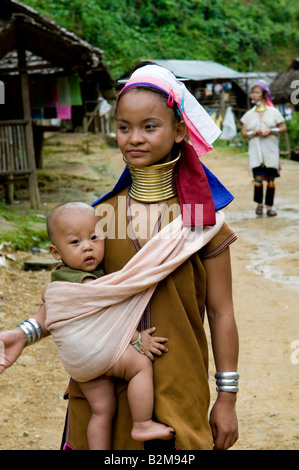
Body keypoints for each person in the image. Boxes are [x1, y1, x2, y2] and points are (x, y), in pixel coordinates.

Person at [0, 62, 239, 451]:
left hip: (179, 383)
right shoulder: (98, 219)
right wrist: (24, 334)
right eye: (124, 127)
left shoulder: (202, 221)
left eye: (149, 126)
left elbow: (222, 312)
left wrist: (227, 397)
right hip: (106, 389)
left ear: (180, 131)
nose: (135, 138)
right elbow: (74, 296)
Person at [44, 201, 175, 449]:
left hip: (78, 365)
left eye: (94, 238)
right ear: (56, 252)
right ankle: (142, 424)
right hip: (94, 351)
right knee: (139, 366)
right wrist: (136, 338)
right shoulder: (85, 282)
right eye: (75, 242)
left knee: (102, 412)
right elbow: (111, 315)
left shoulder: (59, 276)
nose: (87, 247)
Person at [241, 80, 286, 216]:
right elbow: (243, 133)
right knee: (259, 177)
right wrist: (253, 133)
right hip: (256, 151)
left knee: (271, 179)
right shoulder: (249, 114)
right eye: (252, 92)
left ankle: (269, 207)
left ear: (264, 95)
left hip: (270, 151)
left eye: (257, 92)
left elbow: (283, 128)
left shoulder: (274, 112)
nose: (254, 95)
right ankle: (259, 205)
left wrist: (271, 131)